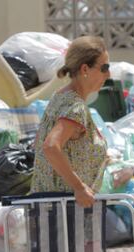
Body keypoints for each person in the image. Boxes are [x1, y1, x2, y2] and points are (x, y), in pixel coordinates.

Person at [31, 35, 110, 207]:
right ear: (84, 69)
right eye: (104, 67)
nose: (108, 74)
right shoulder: (75, 107)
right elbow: (51, 146)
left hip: (53, 209)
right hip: (66, 211)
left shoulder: (60, 96)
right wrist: (79, 187)